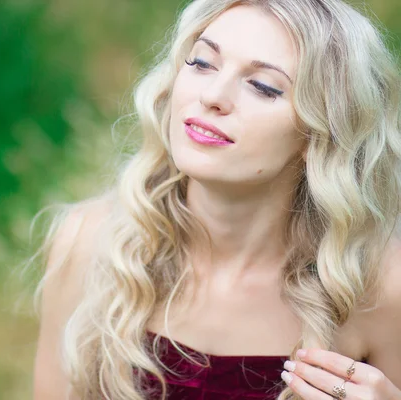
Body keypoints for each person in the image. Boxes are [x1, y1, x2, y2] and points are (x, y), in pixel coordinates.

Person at [31, 0, 401, 399]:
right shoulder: (89, 244)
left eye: (263, 86)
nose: (212, 96)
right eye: (203, 63)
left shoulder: (379, 286)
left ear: (320, 136)